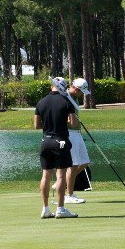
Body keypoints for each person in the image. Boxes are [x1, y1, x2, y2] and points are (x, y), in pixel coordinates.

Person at [35, 77, 79, 219]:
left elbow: (37, 125)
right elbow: (73, 123)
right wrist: (62, 122)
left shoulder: (41, 102)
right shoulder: (66, 101)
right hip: (61, 142)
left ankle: (45, 209)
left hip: (45, 141)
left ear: (51, 87)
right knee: (60, 176)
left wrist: (49, 126)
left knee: (46, 175)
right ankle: (60, 209)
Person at [64, 77, 92, 204]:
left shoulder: (73, 98)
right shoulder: (64, 97)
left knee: (85, 162)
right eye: (81, 92)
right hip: (70, 133)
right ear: (76, 89)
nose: (82, 95)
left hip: (77, 133)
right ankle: (68, 194)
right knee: (73, 164)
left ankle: (62, 181)